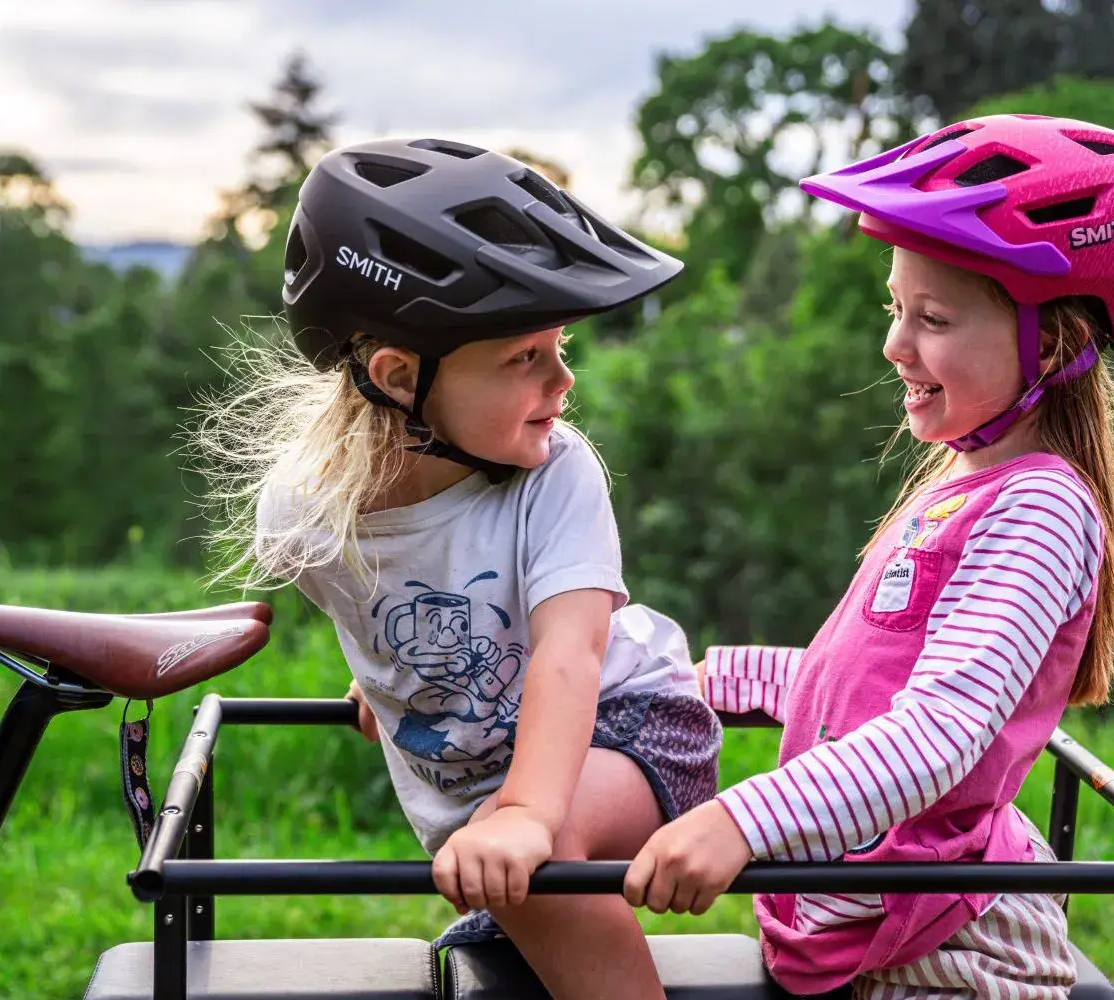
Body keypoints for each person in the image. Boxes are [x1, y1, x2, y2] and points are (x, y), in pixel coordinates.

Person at [624, 113, 1114, 1000]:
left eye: (934, 318)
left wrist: (740, 820)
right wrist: (693, 680)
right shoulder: (962, 482)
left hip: (954, 955)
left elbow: (936, 733)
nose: (894, 344)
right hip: (882, 925)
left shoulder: (1040, 509)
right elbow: (865, 684)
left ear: (1052, 343)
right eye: (896, 308)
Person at [192, 137, 721, 1000]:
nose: (563, 380)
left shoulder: (557, 475)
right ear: (400, 377)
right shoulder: (304, 512)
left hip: (624, 724)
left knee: (536, 871)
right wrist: (396, 678)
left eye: (559, 347)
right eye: (525, 358)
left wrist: (526, 813)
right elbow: (380, 608)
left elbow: (570, 654)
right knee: (511, 900)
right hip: (485, 787)